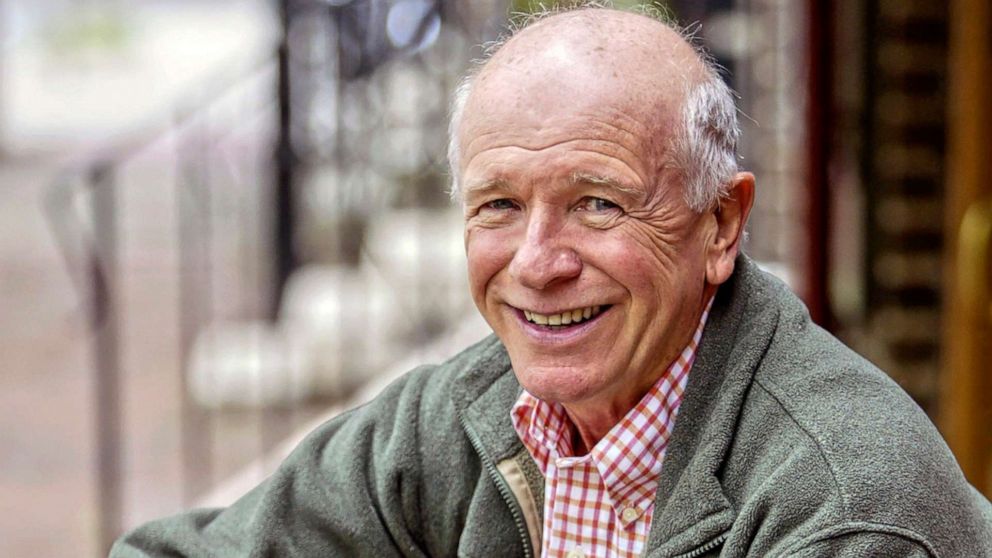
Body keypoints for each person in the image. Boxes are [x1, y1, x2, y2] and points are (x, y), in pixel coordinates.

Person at [112, 5, 992, 557]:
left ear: (720, 225)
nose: (537, 262)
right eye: (497, 205)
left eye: (598, 204)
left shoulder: (847, 506)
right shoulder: (461, 420)